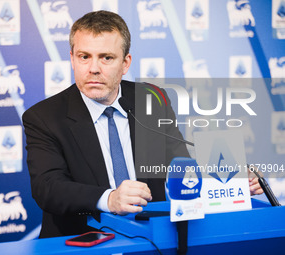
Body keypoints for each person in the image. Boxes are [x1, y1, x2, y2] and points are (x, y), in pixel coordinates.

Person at [22, 10, 263, 238]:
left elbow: (177, 163)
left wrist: (228, 183)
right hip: (83, 242)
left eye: (106, 57)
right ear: (73, 59)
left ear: (125, 63)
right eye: (84, 57)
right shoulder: (44, 117)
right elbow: (48, 188)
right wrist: (110, 199)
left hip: (154, 239)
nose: (93, 68)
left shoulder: (151, 100)